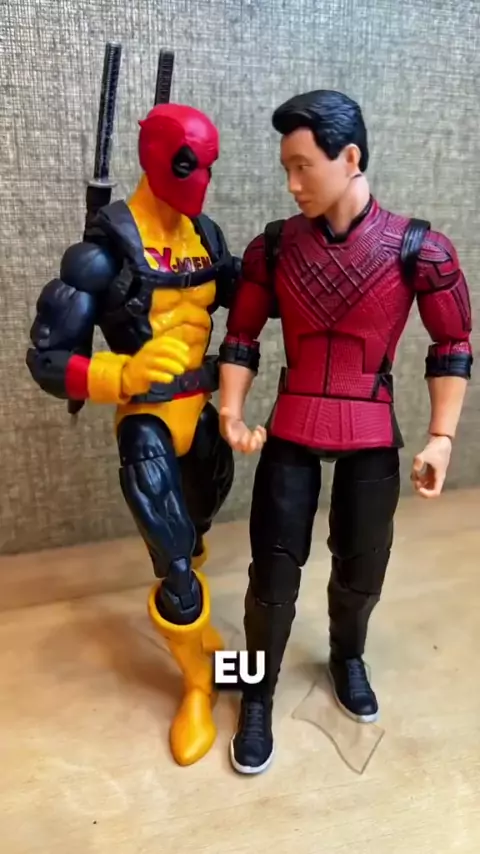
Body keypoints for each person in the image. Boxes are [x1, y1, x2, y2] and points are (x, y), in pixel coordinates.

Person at [218, 89, 473, 775]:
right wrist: (231, 412)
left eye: (303, 166)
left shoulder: (418, 250)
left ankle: (347, 656)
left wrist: (442, 436)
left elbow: (452, 343)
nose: (292, 183)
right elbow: (240, 335)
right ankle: (254, 688)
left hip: (370, 427)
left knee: (362, 570)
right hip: (293, 425)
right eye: (286, 169)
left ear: (350, 157)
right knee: (272, 575)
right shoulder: (275, 248)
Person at [26, 94, 241, 766]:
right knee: (173, 563)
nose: (201, 179)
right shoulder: (104, 255)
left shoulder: (206, 238)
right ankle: (198, 686)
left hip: (202, 417)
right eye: (188, 163)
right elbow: (48, 359)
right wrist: (122, 372)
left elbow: (248, 294)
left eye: (209, 165)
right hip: (147, 423)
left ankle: (213, 652)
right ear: (155, 158)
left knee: (196, 540)